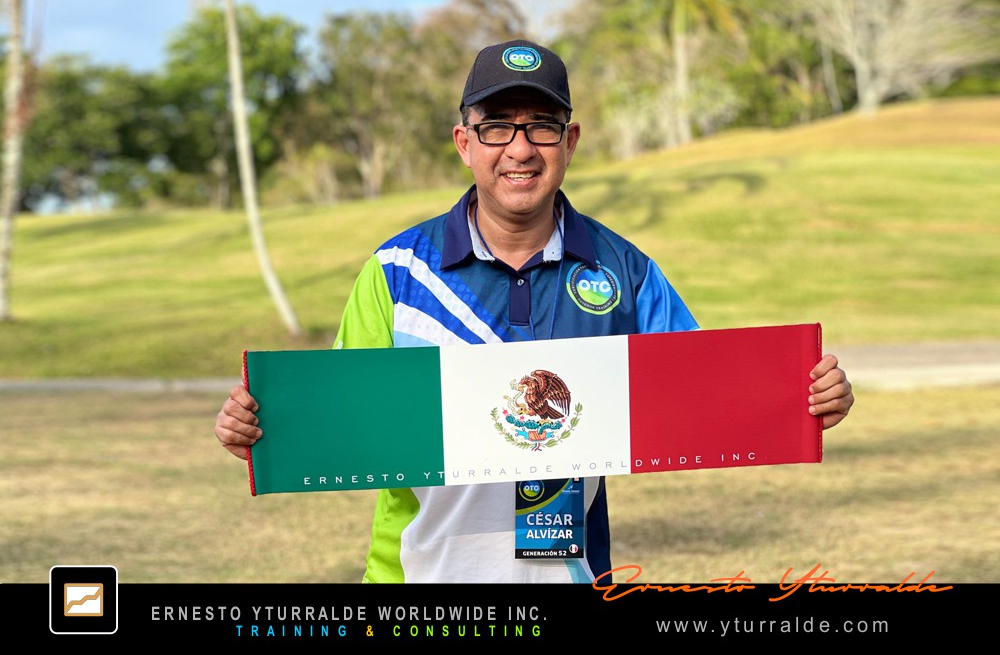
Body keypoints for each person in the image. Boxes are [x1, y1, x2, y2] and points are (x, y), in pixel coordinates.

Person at [214, 39, 854, 583]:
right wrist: (257, 429)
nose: (519, 149)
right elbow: (335, 425)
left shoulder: (624, 272)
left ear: (569, 141)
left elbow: (712, 398)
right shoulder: (397, 273)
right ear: (465, 142)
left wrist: (807, 397)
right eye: (497, 126)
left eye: (541, 126)